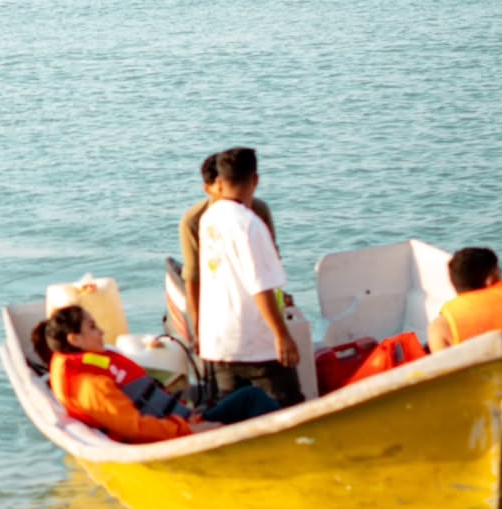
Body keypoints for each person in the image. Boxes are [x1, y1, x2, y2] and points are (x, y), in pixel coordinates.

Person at [32, 305, 278, 444]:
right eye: (92, 327)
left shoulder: (91, 366)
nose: (101, 332)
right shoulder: (90, 385)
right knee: (253, 400)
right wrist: (191, 431)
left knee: (249, 397)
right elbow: (133, 428)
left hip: (182, 424)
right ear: (75, 339)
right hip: (174, 440)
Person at [197, 146, 304, 407]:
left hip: (220, 343)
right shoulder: (250, 224)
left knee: (234, 415)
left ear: (219, 183)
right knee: (288, 411)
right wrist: (282, 334)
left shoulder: (208, 219)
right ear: (255, 180)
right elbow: (261, 287)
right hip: (255, 343)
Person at [180, 150, 278, 339]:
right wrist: (199, 330)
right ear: (210, 188)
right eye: (219, 186)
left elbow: (269, 265)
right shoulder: (194, 221)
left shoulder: (258, 211)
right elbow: (193, 279)